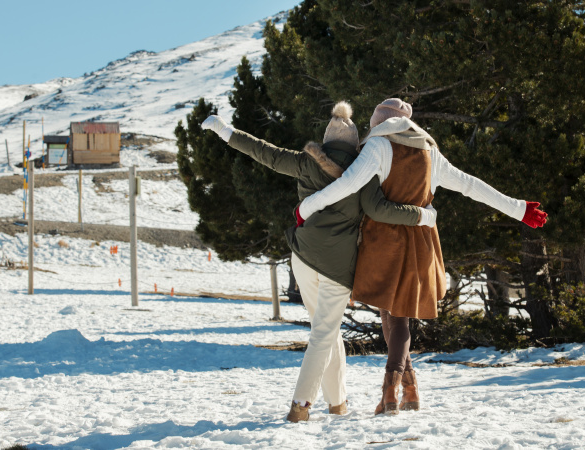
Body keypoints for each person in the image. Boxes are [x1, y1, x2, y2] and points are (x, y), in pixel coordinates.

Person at [296, 98, 548, 415]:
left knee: (395, 316)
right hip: (420, 240)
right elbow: (470, 185)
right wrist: (517, 208)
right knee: (394, 314)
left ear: (378, 124)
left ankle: (390, 391)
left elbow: (347, 185)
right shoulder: (429, 151)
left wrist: (306, 208)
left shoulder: (378, 147)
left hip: (384, 242)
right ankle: (410, 390)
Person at [201, 102, 437, 422]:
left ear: (325, 142)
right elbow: (384, 209)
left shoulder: (304, 163)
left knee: (326, 330)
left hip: (303, 258)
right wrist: (422, 216)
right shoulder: (363, 172)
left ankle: (338, 403)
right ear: (355, 146)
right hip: (337, 268)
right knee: (323, 334)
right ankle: (301, 406)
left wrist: (225, 131)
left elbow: (262, 151)